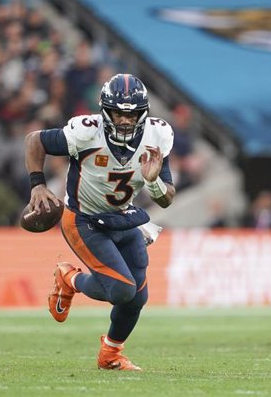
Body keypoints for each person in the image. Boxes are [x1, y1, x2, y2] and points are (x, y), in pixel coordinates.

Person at [24, 73, 175, 371]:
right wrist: (37, 184)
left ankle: (110, 354)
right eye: (118, 113)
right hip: (84, 219)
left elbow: (166, 198)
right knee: (121, 290)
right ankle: (70, 279)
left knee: (137, 296)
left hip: (122, 217)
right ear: (105, 111)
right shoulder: (85, 132)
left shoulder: (157, 136)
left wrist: (153, 181)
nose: (124, 121)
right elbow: (34, 141)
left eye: (131, 114)